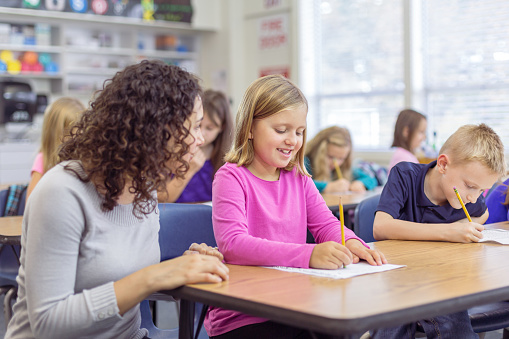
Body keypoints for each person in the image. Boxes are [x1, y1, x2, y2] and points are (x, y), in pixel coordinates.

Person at [5, 60, 229, 339]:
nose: (199, 139)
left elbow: (128, 276)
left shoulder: (143, 189)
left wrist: (184, 268)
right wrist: (154, 276)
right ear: (157, 129)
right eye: (194, 126)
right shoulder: (61, 191)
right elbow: (48, 322)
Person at [205, 74, 387, 339]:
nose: (293, 140)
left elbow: (326, 225)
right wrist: (308, 254)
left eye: (299, 132)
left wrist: (352, 242)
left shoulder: (299, 178)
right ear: (250, 129)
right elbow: (233, 244)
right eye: (281, 130)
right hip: (245, 315)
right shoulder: (231, 177)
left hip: (296, 304)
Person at [371, 123, 506, 338]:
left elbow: (484, 212)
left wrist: (470, 224)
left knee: (452, 319)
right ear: (443, 164)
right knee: (392, 321)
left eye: (483, 190)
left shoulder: (469, 198)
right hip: (396, 279)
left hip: (441, 283)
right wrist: (450, 231)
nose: (474, 197)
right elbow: (381, 226)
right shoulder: (405, 176)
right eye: (471, 186)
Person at [159, 89, 233, 203]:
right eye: (197, 125)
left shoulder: (227, 160)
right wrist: (188, 172)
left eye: (210, 128)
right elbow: (161, 199)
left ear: (222, 128)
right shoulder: (171, 152)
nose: (201, 134)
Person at [26, 97, 85, 200]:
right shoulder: (42, 160)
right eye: (71, 134)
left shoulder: (85, 161)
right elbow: (30, 203)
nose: (77, 140)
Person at [305, 126, 378, 193]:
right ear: (318, 151)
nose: (336, 163)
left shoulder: (344, 167)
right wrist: (327, 187)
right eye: (331, 157)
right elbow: (298, 184)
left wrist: (361, 184)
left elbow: (371, 179)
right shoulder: (304, 163)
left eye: (341, 158)